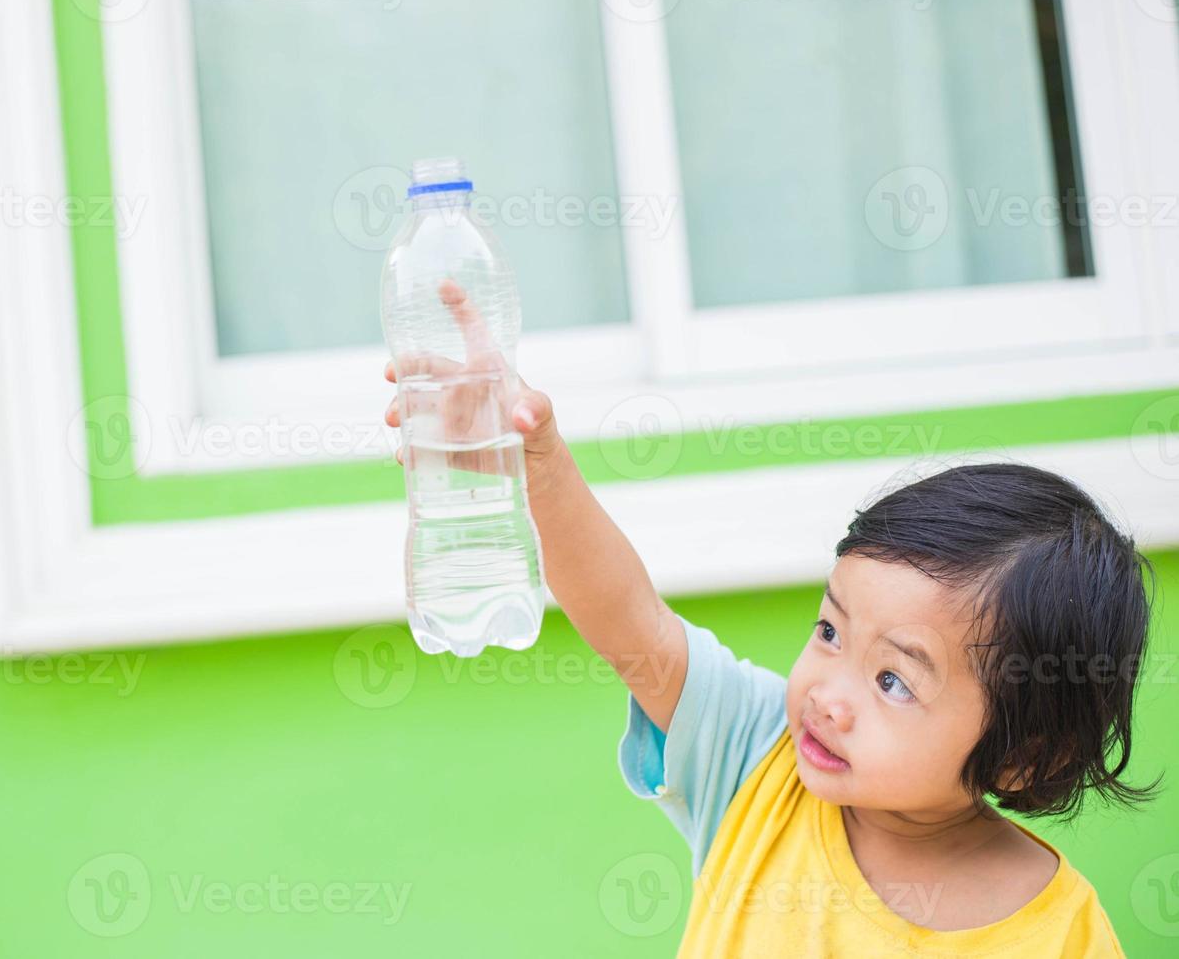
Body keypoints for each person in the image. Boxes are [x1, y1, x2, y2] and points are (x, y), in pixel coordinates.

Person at [381, 281, 1157, 955]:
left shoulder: (1062, 938)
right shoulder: (757, 759)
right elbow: (628, 621)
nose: (826, 692)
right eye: (829, 632)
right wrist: (536, 463)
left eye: (892, 680)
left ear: (1022, 755)